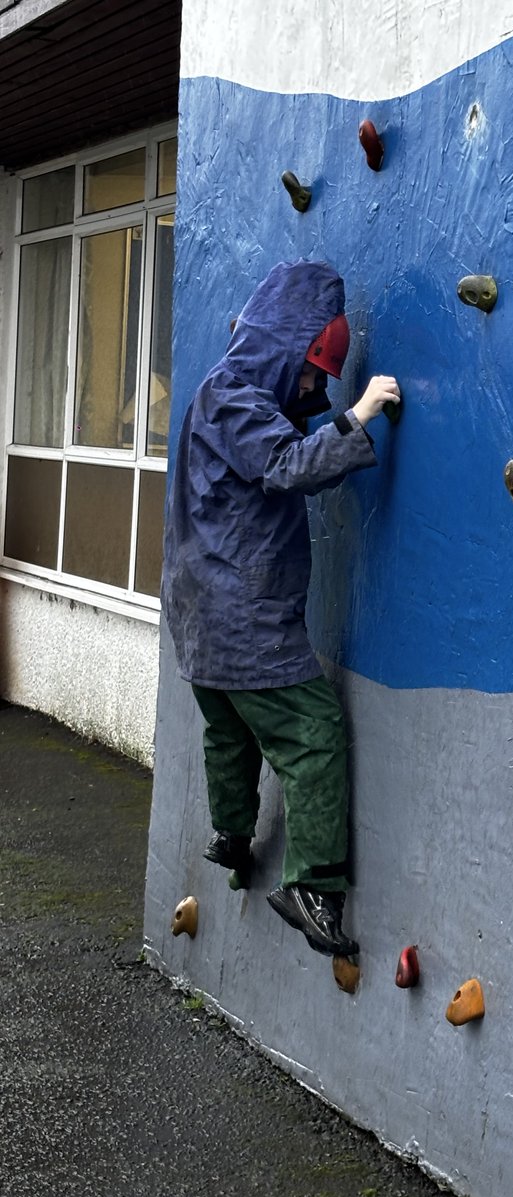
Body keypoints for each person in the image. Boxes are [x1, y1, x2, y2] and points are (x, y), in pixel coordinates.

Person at [161, 259, 401, 958]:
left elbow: (280, 441)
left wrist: (319, 416)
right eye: (309, 373)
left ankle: (232, 835)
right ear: (285, 350)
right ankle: (314, 887)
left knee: (229, 726)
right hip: (242, 617)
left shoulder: (220, 394)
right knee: (312, 731)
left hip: (198, 616)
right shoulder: (236, 400)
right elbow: (287, 465)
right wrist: (359, 414)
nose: (310, 389)